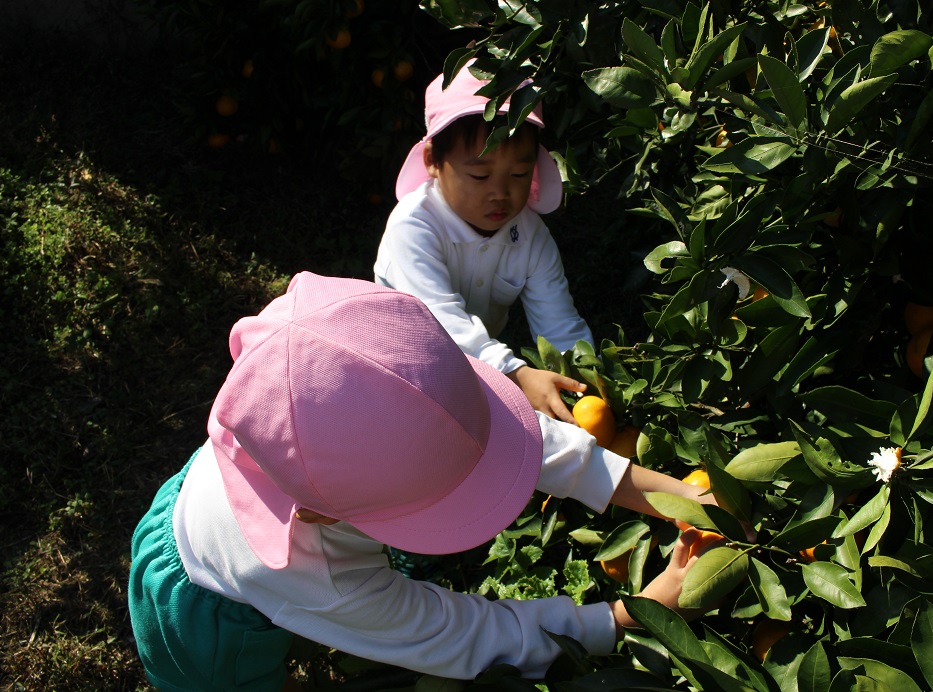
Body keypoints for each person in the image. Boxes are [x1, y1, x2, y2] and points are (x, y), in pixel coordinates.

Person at [128, 273, 721, 690]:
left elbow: (509, 434)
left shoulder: (382, 371)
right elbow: (465, 636)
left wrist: (677, 495)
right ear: (325, 514)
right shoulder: (323, 577)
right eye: (441, 500)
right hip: (206, 614)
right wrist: (630, 615)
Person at [374, 60, 591, 424]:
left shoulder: (530, 235)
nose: (500, 193)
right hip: (399, 366)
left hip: (479, 367)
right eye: (479, 175)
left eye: (519, 174)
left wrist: (586, 381)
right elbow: (440, 322)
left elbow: (558, 324)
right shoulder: (413, 228)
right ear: (432, 161)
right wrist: (515, 374)